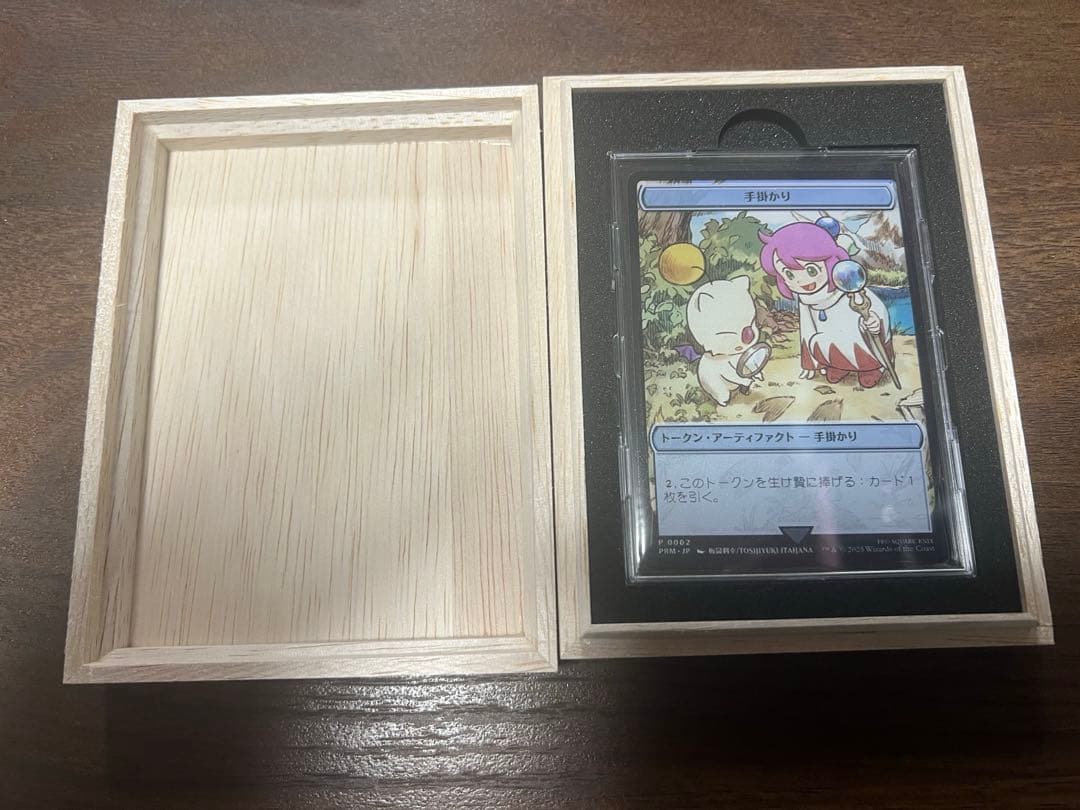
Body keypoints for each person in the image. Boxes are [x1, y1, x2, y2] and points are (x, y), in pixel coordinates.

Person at [758, 222, 892, 387]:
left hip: (862, 345)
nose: (801, 280)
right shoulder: (805, 300)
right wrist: (809, 364)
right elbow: (807, 330)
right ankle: (838, 365)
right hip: (833, 348)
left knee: (859, 346)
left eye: (811, 270)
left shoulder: (848, 287)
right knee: (821, 342)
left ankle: (871, 369)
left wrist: (873, 322)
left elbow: (873, 310)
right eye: (789, 275)